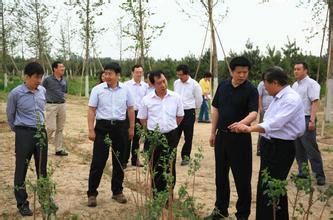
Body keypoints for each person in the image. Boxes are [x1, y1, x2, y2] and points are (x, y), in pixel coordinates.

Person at [230, 66, 305, 220]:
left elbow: (275, 123)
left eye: (266, 83)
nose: (264, 87)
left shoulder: (290, 99)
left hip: (281, 147)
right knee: (272, 187)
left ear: (275, 82)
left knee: (269, 187)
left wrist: (249, 129)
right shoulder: (279, 98)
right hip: (271, 145)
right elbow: (270, 122)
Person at [205, 56, 258, 220]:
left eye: (245, 72)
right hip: (222, 138)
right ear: (232, 71)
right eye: (239, 72)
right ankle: (220, 210)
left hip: (240, 139)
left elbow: (254, 113)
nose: (242, 75)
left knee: (242, 178)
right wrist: (213, 132)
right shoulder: (223, 86)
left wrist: (241, 124)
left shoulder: (251, 89)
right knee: (220, 176)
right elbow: (215, 109)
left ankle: (242, 214)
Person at [87, 62, 135, 207]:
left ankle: (117, 191)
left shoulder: (126, 90)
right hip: (102, 128)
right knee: (98, 162)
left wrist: (131, 127)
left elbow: (131, 109)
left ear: (117, 75)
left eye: (110, 73)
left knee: (119, 161)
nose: (107, 76)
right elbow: (91, 110)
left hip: (121, 128)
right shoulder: (97, 89)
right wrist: (91, 129)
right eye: (105, 73)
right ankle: (92, 193)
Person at [6, 62, 48, 216]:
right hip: (24, 133)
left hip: (41, 132)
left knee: (42, 169)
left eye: (41, 77)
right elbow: (10, 116)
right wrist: (19, 131)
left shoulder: (42, 90)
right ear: (27, 77)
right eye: (36, 77)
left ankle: (45, 199)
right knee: (21, 168)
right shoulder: (15, 93)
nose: (39, 80)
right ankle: (22, 203)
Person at [137, 70, 184, 196]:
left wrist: (169, 127)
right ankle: (157, 196)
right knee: (156, 166)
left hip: (171, 135)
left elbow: (179, 117)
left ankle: (168, 195)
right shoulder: (146, 100)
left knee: (170, 165)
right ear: (152, 85)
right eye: (159, 83)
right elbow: (142, 119)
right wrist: (152, 130)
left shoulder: (176, 97)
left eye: (164, 81)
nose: (163, 85)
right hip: (154, 137)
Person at [292, 62, 326, 185]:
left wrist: (312, 120)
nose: (296, 71)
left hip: (306, 118)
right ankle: (303, 173)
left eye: (298, 69)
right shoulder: (295, 85)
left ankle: (319, 175)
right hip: (296, 119)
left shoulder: (312, 84)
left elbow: (315, 103)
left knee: (311, 148)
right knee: (298, 148)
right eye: (294, 69)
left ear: (305, 70)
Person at [174, 64, 202, 166]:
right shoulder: (176, 83)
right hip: (177, 113)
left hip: (189, 112)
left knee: (188, 136)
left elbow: (199, 100)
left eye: (181, 75)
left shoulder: (195, 85)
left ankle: (185, 157)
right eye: (178, 75)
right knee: (174, 134)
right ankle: (171, 155)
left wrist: (193, 109)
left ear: (187, 74)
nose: (179, 77)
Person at [124, 64, 148, 167]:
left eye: (140, 72)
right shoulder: (126, 85)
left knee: (137, 138)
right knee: (127, 137)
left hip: (140, 114)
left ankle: (135, 160)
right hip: (129, 113)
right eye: (137, 72)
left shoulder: (145, 86)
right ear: (132, 73)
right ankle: (124, 160)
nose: (139, 74)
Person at [43, 61, 68, 156]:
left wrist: (63, 100)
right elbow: (41, 90)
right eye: (61, 67)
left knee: (60, 128)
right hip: (51, 105)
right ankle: (40, 146)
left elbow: (65, 92)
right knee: (51, 127)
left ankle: (58, 149)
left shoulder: (64, 80)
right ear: (55, 69)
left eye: (63, 67)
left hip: (62, 105)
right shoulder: (47, 80)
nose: (63, 68)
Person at [256, 73, 273, 156]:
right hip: (265, 110)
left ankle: (270, 149)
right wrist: (260, 108)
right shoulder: (262, 84)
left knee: (271, 130)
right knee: (262, 129)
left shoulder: (275, 84)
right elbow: (259, 96)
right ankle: (259, 149)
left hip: (274, 110)